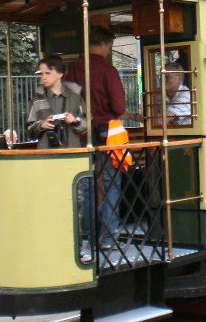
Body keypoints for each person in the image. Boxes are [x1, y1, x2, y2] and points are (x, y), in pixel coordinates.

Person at [70, 26, 127, 252]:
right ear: (103, 44)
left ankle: (89, 234)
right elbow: (119, 107)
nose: (109, 51)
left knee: (87, 181)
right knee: (112, 181)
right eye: (110, 47)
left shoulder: (72, 70)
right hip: (107, 131)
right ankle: (108, 237)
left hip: (82, 132)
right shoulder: (107, 70)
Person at [27, 55, 86, 149]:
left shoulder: (75, 96)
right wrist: (41, 125)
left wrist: (75, 121)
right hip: (46, 154)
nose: (43, 77)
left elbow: (87, 125)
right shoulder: (37, 99)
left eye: (48, 73)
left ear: (60, 74)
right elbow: (29, 130)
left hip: (71, 152)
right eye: (41, 74)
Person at [164, 61, 192, 126]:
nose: (163, 80)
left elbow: (162, 121)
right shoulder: (162, 94)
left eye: (167, 77)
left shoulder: (185, 95)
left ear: (179, 79)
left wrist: (136, 116)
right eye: (161, 76)